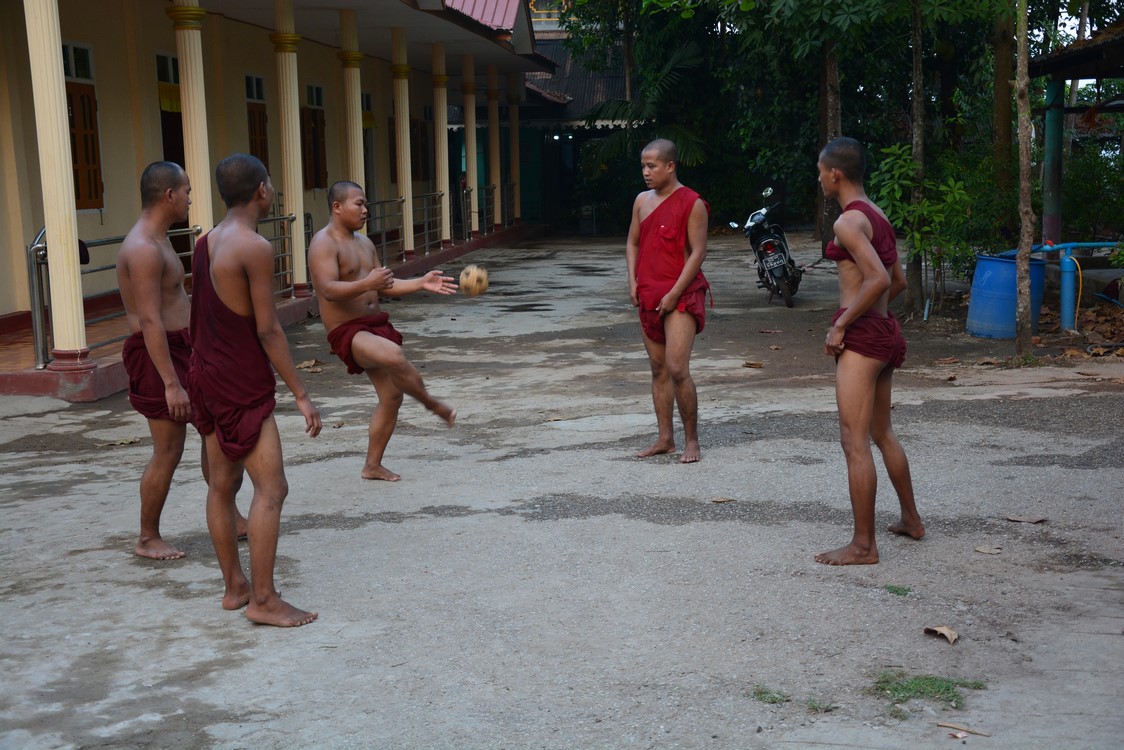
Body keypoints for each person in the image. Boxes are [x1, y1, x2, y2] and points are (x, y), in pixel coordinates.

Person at [190, 153, 322, 626]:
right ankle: (263, 600)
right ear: (262, 190)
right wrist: (301, 394)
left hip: (206, 374)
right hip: (238, 380)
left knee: (222, 484)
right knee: (272, 487)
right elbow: (268, 330)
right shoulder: (254, 247)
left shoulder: (206, 243)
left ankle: (234, 588)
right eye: (272, 185)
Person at [116, 161, 246, 560]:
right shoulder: (142, 248)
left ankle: (229, 513)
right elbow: (150, 318)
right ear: (169, 195)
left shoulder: (160, 239)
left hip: (185, 348)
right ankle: (147, 536)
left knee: (214, 432)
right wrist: (170, 382)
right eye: (187, 191)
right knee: (169, 448)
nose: (191, 198)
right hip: (160, 355)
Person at [815, 136, 925, 565]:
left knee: (853, 441)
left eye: (821, 170)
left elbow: (879, 279)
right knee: (881, 432)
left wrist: (842, 324)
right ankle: (911, 521)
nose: (820, 177)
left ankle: (864, 545)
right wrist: (875, 318)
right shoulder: (876, 214)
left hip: (862, 338)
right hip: (883, 331)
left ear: (835, 173)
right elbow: (895, 282)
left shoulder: (847, 222)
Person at [309, 181, 457, 482]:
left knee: (391, 397)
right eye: (359, 204)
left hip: (374, 325)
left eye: (366, 205)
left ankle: (372, 466)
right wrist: (367, 284)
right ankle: (432, 404)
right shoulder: (323, 242)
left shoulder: (365, 244)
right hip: (346, 331)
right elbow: (328, 290)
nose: (365, 211)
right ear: (337, 207)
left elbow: (385, 285)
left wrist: (420, 283)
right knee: (393, 355)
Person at [625, 138, 710, 463]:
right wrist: (632, 279)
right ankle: (665, 438)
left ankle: (692, 440)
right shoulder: (641, 201)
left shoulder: (692, 202)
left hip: (682, 294)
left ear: (670, 166)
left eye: (652, 166)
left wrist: (675, 292)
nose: (646, 172)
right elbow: (632, 243)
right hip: (649, 292)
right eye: (643, 166)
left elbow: (698, 251)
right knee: (658, 368)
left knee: (677, 367)